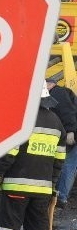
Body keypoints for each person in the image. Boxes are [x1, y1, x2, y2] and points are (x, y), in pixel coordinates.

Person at [0, 81, 66, 230]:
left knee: (8, 224)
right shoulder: (57, 123)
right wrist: (52, 184)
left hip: (16, 186)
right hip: (43, 189)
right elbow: (59, 159)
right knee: (38, 227)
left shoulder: (23, 121)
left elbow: (10, 153)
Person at [47, 78, 77, 208]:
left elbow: (67, 111)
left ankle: (60, 196)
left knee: (67, 165)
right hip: (69, 133)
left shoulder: (58, 93)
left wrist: (70, 130)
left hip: (70, 135)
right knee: (67, 165)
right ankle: (59, 196)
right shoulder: (61, 93)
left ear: (50, 85)